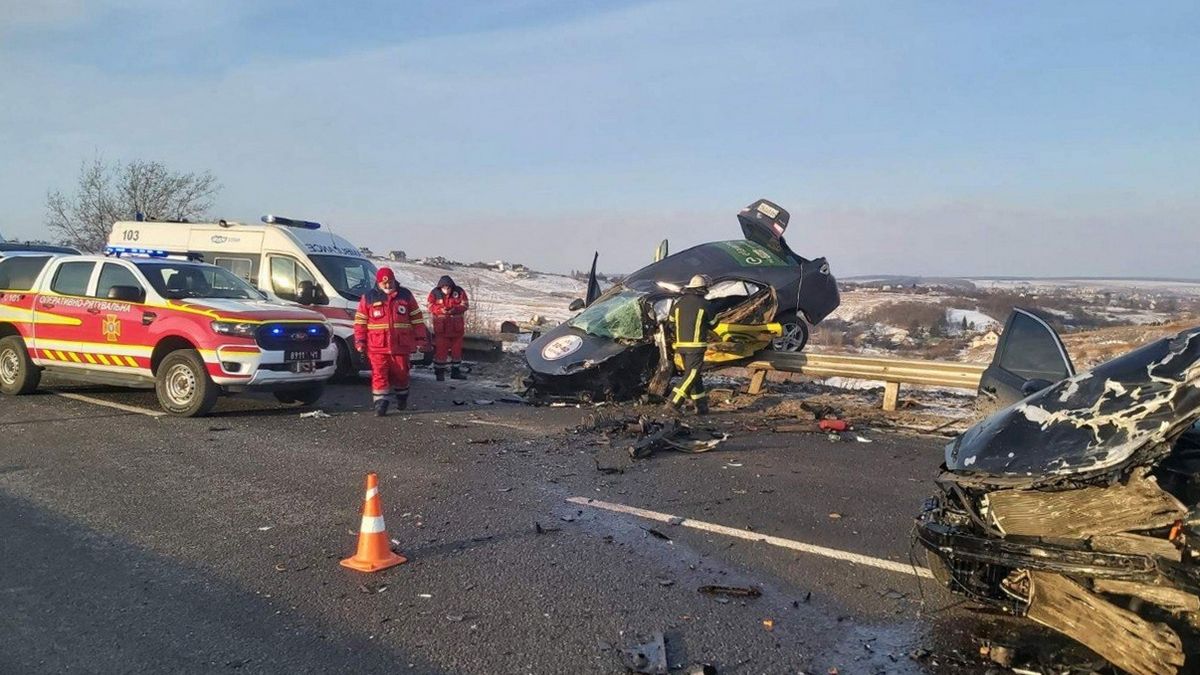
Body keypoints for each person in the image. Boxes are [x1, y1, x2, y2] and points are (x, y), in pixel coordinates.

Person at [354, 268, 429, 416]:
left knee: (401, 374)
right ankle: (380, 404)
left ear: (395, 281)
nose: (388, 286)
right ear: (378, 282)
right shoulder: (368, 297)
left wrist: (421, 339)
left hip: (401, 346)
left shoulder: (405, 295)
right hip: (377, 346)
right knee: (379, 374)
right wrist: (360, 341)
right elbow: (360, 322)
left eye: (390, 282)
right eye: (384, 283)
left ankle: (402, 397)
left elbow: (417, 319)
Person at [668, 274, 716, 414]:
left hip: (681, 346)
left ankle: (701, 406)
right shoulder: (704, 305)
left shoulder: (679, 304)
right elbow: (714, 323)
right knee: (691, 374)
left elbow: (671, 322)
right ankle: (674, 402)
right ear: (702, 288)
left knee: (694, 375)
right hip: (696, 346)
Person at [427, 275, 469, 381]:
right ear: (440, 287)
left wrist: (454, 309)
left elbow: (465, 305)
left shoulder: (459, 292)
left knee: (457, 352)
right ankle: (439, 374)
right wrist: (441, 310)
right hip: (442, 329)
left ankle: (455, 372)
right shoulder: (434, 293)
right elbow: (429, 306)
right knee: (441, 352)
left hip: (456, 329)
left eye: (448, 288)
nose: (447, 290)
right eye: (444, 288)